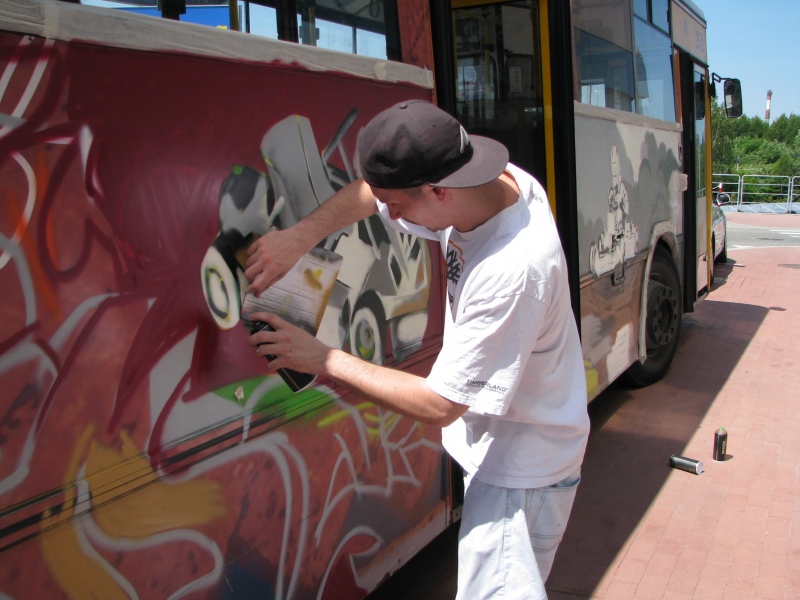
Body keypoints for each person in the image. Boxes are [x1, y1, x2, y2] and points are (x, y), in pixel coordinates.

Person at [244, 100, 590, 599]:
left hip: (521, 476)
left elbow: (440, 404)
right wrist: (299, 236)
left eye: (399, 206)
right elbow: (372, 195)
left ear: (438, 191)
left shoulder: (512, 269)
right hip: (509, 452)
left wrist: (321, 358)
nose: (392, 215)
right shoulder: (490, 183)